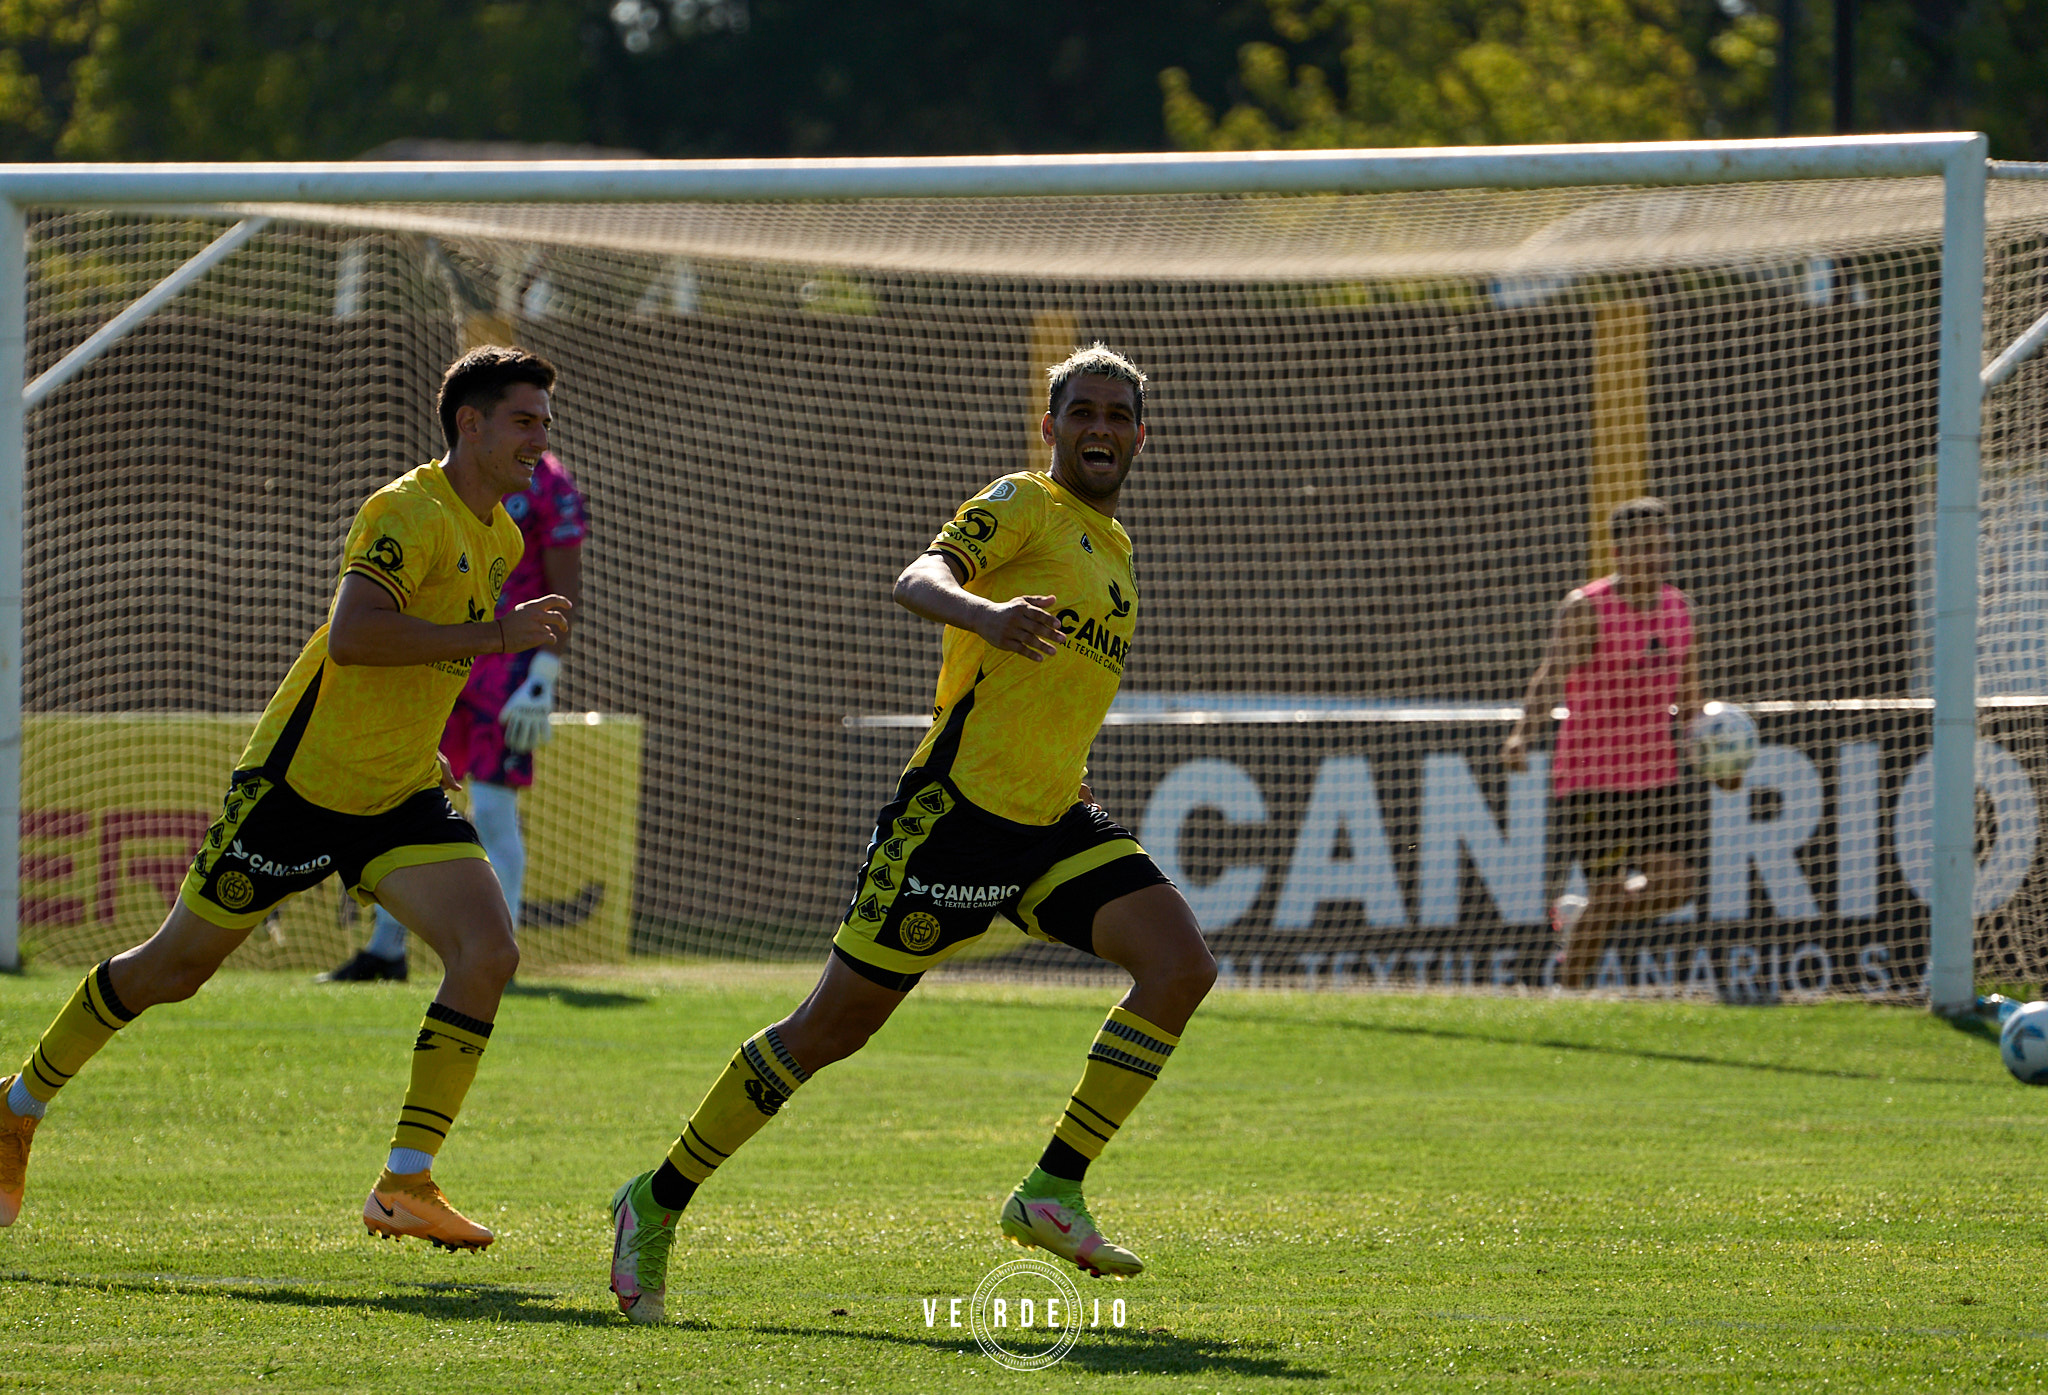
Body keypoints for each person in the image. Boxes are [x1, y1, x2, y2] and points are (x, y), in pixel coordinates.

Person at [606, 345, 1217, 1324]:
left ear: (1139, 436)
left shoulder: (1118, 549)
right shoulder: (1020, 503)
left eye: (1116, 416)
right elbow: (917, 575)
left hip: (1052, 820)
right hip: (953, 822)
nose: (1099, 429)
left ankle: (1051, 1191)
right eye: (1082, 412)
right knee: (828, 1032)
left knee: (1180, 964)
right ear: (1051, 426)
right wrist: (987, 614)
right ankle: (655, 1198)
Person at [0, 346, 573, 1250]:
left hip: (398, 797)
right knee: (171, 971)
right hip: (297, 790)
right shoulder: (404, 509)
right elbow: (353, 637)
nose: (541, 439)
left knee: (487, 952)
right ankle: (17, 1104)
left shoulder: (499, 534)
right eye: (525, 420)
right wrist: (498, 634)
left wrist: (422, 740)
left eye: (545, 421)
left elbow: (419, 658)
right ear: (470, 422)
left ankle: (405, 1182)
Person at [319, 448, 588, 983]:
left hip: (506, 674)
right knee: (410, 801)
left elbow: (564, 585)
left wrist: (543, 678)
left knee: (491, 811)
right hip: (445, 657)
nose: (533, 433)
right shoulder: (445, 485)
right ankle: (386, 951)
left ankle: (498, 957)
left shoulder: (547, 483)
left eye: (537, 420)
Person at [1500, 496, 1735, 989]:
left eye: (1663, 545)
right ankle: (1570, 996)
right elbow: (1550, 677)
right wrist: (1523, 735)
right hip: (1591, 778)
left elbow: (1690, 704)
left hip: (1655, 776)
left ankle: (1581, 918)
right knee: (1608, 892)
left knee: (1676, 887)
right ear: (1620, 552)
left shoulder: (1679, 609)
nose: (1657, 555)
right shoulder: (1587, 608)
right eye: (1645, 546)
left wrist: (1719, 764)